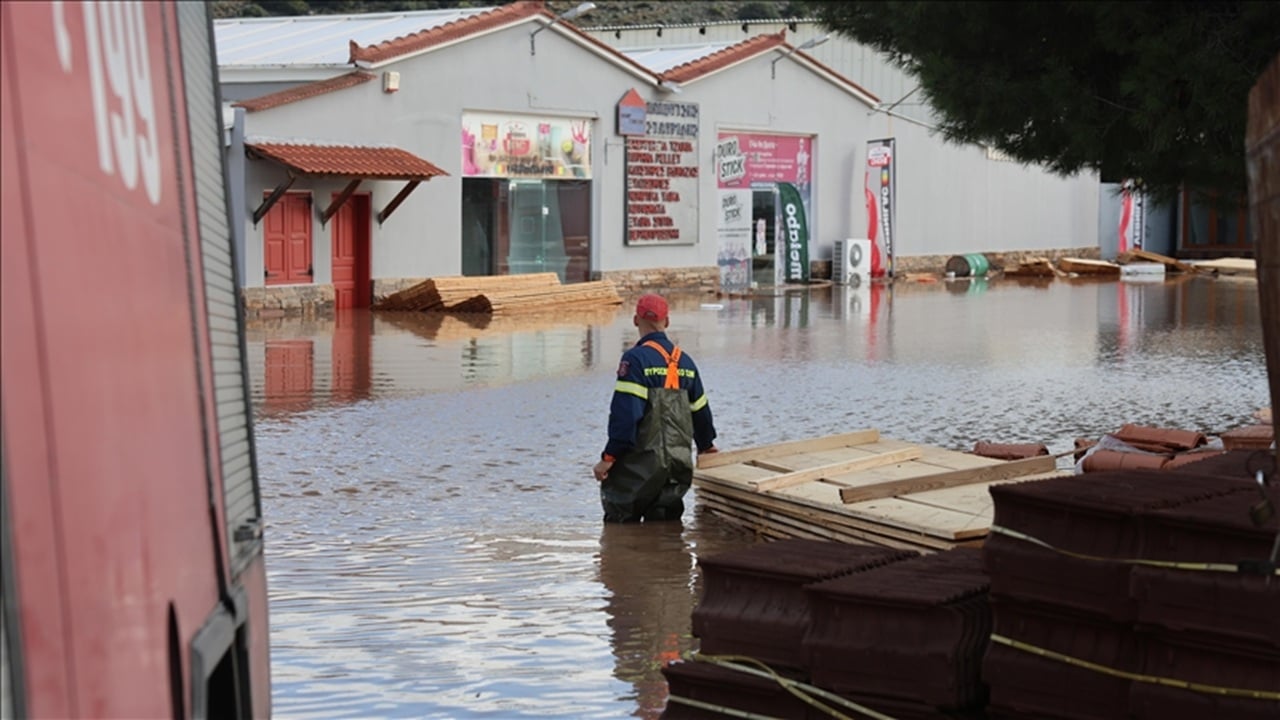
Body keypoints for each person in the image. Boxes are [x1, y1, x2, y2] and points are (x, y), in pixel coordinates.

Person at [593, 293, 717, 522]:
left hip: (638, 468)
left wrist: (608, 458)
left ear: (635, 320)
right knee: (667, 530)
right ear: (667, 322)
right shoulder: (686, 363)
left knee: (621, 535)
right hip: (677, 466)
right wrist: (707, 446)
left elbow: (626, 416)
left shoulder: (635, 360)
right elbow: (700, 412)